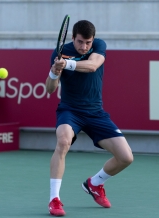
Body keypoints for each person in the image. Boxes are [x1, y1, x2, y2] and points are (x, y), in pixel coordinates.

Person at [46, 20, 133, 216]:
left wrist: (67, 64)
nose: (84, 46)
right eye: (80, 42)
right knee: (63, 142)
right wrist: (54, 72)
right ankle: (54, 199)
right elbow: (50, 89)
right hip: (70, 111)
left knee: (126, 157)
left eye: (87, 42)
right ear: (72, 38)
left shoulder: (99, 45)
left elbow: (93, 66)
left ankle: (95, 183)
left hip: (96, 113)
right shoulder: (60, 52)